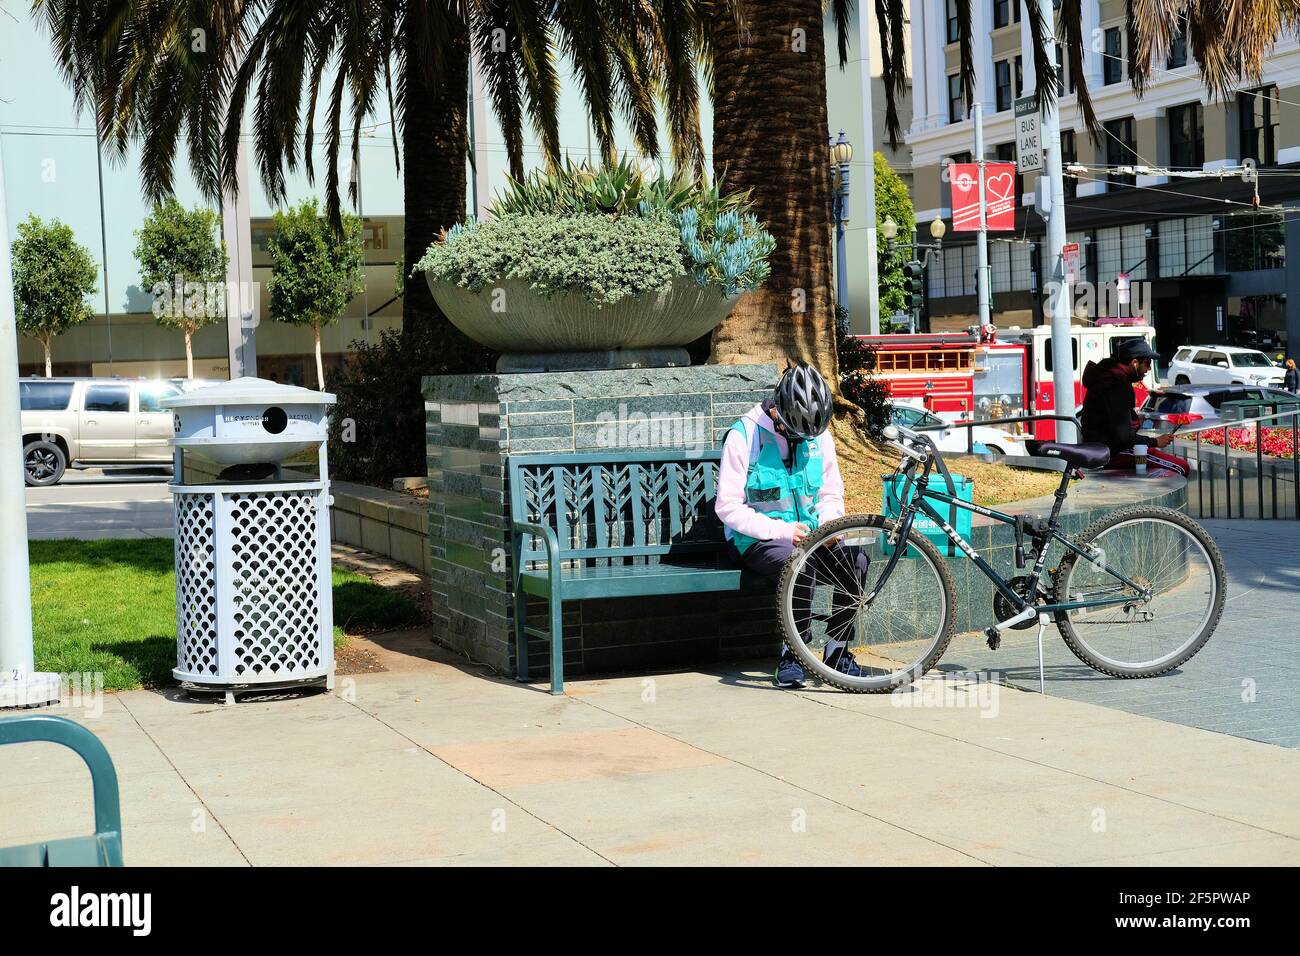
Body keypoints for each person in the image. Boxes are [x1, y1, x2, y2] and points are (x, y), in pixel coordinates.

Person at [715, 363, 869, 688]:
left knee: (856, 561)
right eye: (795, 431)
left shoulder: (818, 434)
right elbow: (727, 507)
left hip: (811, 535)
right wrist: (782, 531)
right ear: (777, 411)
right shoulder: (743, 436)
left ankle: (837, 653)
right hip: (755, 539)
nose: (803, 439)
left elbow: (830, 492)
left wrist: (828, 528)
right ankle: (793, 654)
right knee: (800, 562)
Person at [1080, 338, 1189, 476]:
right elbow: (1123, 437)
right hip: (1111, 452)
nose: (1149, 368)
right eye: (1147, 363)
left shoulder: (1108, 378)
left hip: (1098, 448)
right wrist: (1155, 441)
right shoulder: (1116, 386)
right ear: (1135, 363)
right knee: (1182, 468)